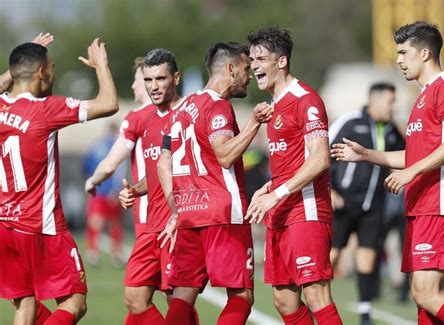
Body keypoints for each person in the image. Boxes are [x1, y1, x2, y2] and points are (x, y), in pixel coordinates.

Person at [331, 21, 444, 324]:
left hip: (440, 203)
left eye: (403, 52)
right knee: (421, 296)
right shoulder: (422, 96)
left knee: (426, 293)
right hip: (421, 205)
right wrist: (367, 155)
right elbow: (415, 154)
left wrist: (412, 172)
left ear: (424, 53)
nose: (398, 60)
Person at [0, 38, 118, 325]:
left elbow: (10, 81)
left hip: (3, 225)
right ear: (42, 72)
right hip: (41, 227)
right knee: (74, 303)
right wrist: (101, 65)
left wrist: (14, 71)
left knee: (25, 306)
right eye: (51, 68)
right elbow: (109, 104)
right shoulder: (46, 110)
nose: (53, 73)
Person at [157, 41, 272, 325]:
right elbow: (224, 155)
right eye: (246, 68)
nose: (249, 75)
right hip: (222, 213)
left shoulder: (183, 108)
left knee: (183, 295)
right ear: (231, 69)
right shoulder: (218, 107)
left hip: (189, 213)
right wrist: (254, 123)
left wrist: (175, 206)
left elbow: (165, 161)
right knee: (241, 295)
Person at [245, 27, 343, 324]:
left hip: (306, 210)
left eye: (261, 59)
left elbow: (320, 159)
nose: (254, 66)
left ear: (282, 61)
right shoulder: (274, 106)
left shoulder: (306, 100)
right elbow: (290, 162)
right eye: (252, 60)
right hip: (281, 209)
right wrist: (269, 187)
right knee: (284, 301)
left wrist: (277, 193)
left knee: (316, 295)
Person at [117, 48, 194, 325]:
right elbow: (156, 173)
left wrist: (181, 213)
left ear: (176, 77)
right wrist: (136, 190)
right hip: (151, 226)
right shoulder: (149, 120)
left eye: (160, 79)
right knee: (134, 297)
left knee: (177, 301)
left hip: (178, 224)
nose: (153, 87)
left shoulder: (189, 115)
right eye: (148, 80)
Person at [329, 82, 405, 324]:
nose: (394, 107)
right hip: (343, 203)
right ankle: (312, 303)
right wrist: (329, 190)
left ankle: (364, 313)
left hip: (374, 206)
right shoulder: (351, 122)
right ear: (376, 100)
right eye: (391, 101)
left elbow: (407, 156)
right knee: (330, 257)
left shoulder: (392, 129)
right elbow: (321, 153)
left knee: (368, 259)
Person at [85, 56, 154, 236]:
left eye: (136, 80)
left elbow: (109, 165)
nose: (132, 86)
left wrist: (92, 181)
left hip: (151, 215)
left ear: (148, 82)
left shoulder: (136, 118)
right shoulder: (180, 111)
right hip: (183, 211)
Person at [82, 122, 126, 266]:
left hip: (98, 190)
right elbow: (119, 169)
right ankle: (116, 254)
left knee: (96, 222)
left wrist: (91, 183)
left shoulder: (96, 145)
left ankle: (93, 253)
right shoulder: (117, 147)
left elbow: (85, 166)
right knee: (113, 223)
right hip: (110, 191)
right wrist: (116, 188)